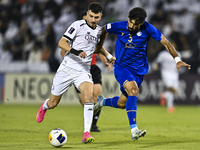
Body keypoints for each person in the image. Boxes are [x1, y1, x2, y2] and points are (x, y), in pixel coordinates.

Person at [94, 7, 191, 141]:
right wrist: (100, 47)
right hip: (122, 68)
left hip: (139, 71)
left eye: (135, 24)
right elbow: (104, 28)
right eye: (130, 22)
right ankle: (134, 130)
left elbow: (166, 43)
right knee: (134, 90)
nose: (131, 26)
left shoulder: (148, 29)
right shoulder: (119, 26)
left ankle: (102, 102)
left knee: (122, 104)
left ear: (141, 24)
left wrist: (177, 59)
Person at [36, 2, 115, 144]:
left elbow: (99, 47)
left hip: (83, 71)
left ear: (100, 16)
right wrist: (76, 52)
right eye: (91, 16)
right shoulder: (77, 25)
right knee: (53, 103)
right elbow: (61, 42)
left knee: (89, 96)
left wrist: (109, 57)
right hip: (67, 68)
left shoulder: (99, 31)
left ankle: (86, 133)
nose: (92, 19)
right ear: (88, 13)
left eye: (96, 17)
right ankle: (44, 106)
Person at [60, 11, 112, 132]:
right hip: (78, 68)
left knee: (97, 95)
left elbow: (99, 50)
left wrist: (106, 62)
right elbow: (63, 50)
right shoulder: (76, 34)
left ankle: (93, 125)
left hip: (92, 67)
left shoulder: (94, 34)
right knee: (86, 102)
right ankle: (90, 120)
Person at [153, 41, 181, 113]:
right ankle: (170, 106)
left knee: (175, 89)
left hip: (175, 73)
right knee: (170, 87)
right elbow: (156, 62)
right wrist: (155, 66)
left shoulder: (178, 54)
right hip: (166, 73)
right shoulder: (163, 54)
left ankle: (164, 95)